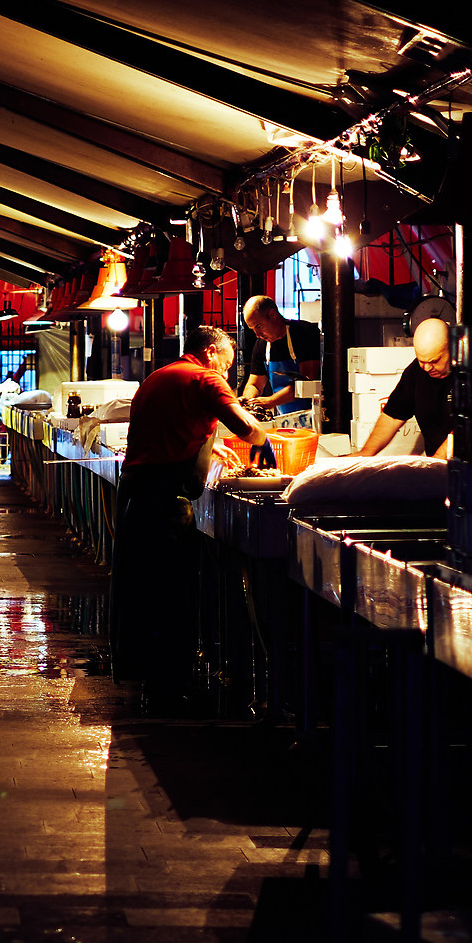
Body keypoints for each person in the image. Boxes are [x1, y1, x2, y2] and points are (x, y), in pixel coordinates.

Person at [113, 326, 273, 709]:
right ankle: (170, 687)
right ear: (211, 352)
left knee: (140, 587)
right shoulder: (205, 379)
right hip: (165, 500)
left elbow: (169, 430)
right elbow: (246, 427)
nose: (227, 373)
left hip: (134, 495)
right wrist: (265, 439)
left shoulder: (159, 377)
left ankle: (147, 678)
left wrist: (208, 450)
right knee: (174, 592)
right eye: (227, 364)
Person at [353, 315, 456, 459]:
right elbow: (393, 417)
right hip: (437, 465)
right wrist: (365, 453)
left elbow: (469, 428)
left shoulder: (471, 374)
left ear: (452, 348)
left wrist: (436, 462)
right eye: (421, 361)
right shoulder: (416, 372)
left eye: (434, 361)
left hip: (471, 467)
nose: (427, 368)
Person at [237, 294, 322, 425]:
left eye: (258, 326)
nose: (257, 334)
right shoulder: (261, 346)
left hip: (315, 416)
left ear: (272, 314)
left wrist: (271, 401)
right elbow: (255, 384)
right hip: (285, 419)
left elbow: (306, 381)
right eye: (253, 329)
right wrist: (248, 401)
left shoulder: (305, 333)